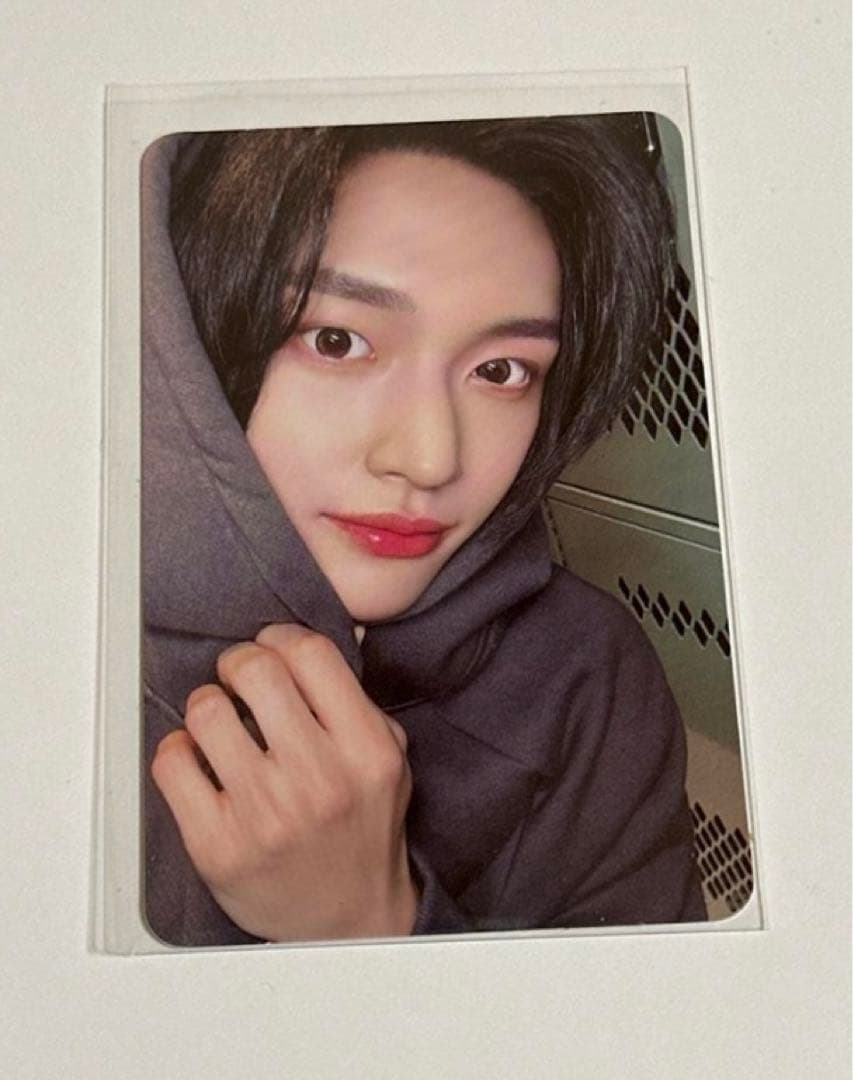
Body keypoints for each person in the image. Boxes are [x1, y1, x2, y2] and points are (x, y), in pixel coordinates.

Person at [141, 116, 707, 947]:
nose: (429, 458)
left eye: (500, 371)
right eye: (336, 340)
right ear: (181, 338)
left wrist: (363, 924)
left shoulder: (587, 671)